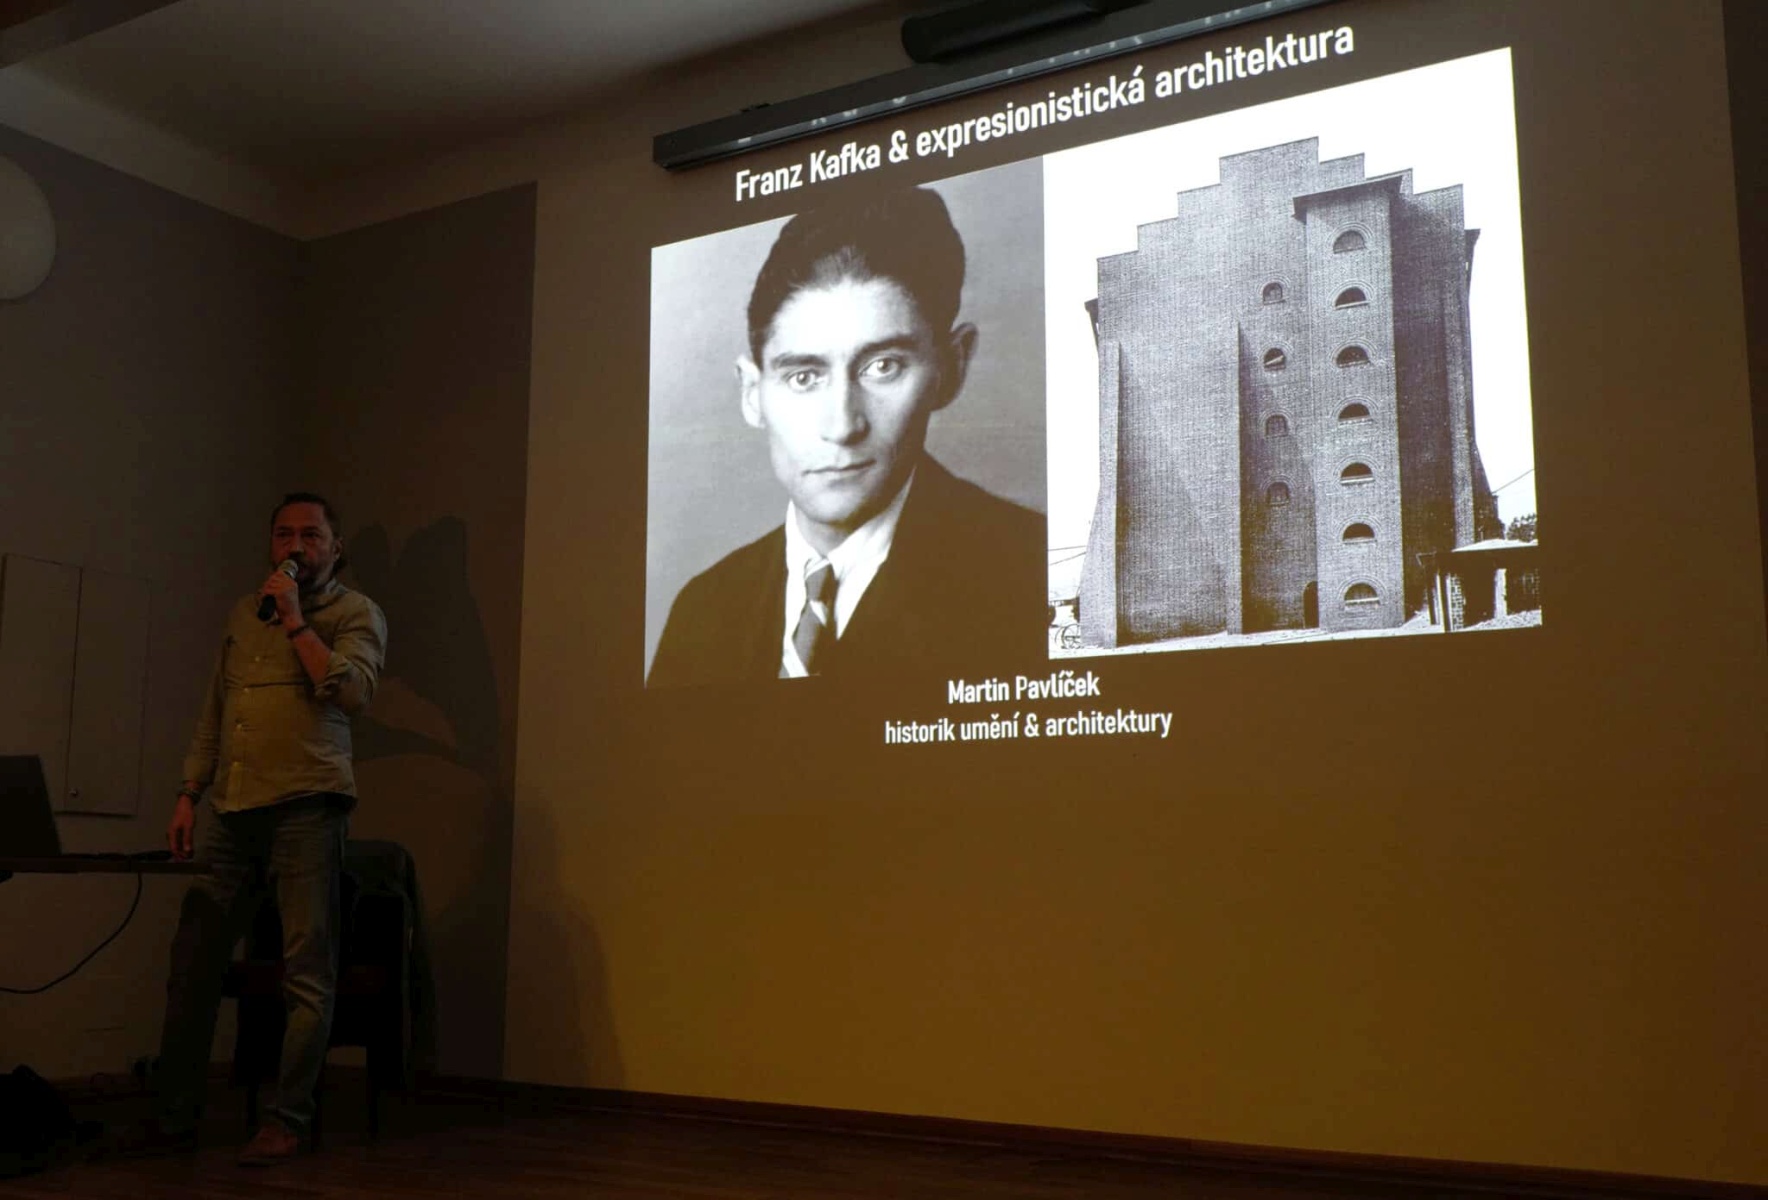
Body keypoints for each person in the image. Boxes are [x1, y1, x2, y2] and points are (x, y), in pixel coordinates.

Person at [648, 186, 1044, 687]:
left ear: (952, 367)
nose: (842, 426)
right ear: (752, 394)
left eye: (883, 367)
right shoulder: (702, 609)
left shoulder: (1029, 577)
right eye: (803, 377)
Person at [137, 492, 386, 1165]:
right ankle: (173, 1118)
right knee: (193, 963)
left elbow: (352, 692)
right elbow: (216, 710)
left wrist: (299, 621)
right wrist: (189, 793)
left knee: (307, 974)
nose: (295, 545)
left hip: (308, 809)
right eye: (283, 534)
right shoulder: (245, 615)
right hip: (232, 811)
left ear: (335, 548)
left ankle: (288, 1121)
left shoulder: (356, 613)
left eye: (311, 534)